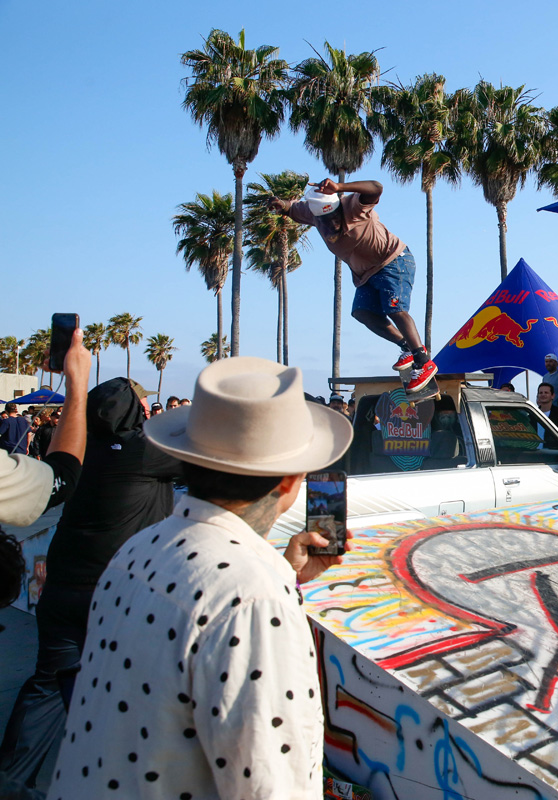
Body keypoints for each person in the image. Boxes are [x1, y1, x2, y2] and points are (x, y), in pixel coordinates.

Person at [47, 356, 352, 800]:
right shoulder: (253, 597)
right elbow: (269, 783)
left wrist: (283, 570)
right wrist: (272, 581)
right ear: (289, 482)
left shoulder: (137, 551)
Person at [0, 377, 184, 785]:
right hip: (120, 593)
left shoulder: (78, 454)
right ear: (136, 413)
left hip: (63, 585)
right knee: (139, 692)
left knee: (47, 685)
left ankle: (11, 780)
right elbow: (211, 455)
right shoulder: (147, 453)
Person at [271, 179, 437, 391]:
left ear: (338, 209)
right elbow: (293, 208)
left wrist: (340, 188)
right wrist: (280, 204)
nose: (331, 225)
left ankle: (423, 360)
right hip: (366, 274)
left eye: (333, 218)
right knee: (362, 312)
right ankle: (406, 346)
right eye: (324, 221)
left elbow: (377, 187)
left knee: (394, 309)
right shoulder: (314, 213)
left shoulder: (353, 206)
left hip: (393, 261)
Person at [0, 329, 88, 531]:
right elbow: (62, 476)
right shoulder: (25, 423)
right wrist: (77, 384)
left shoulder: (13, 422)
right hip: (26, 459)